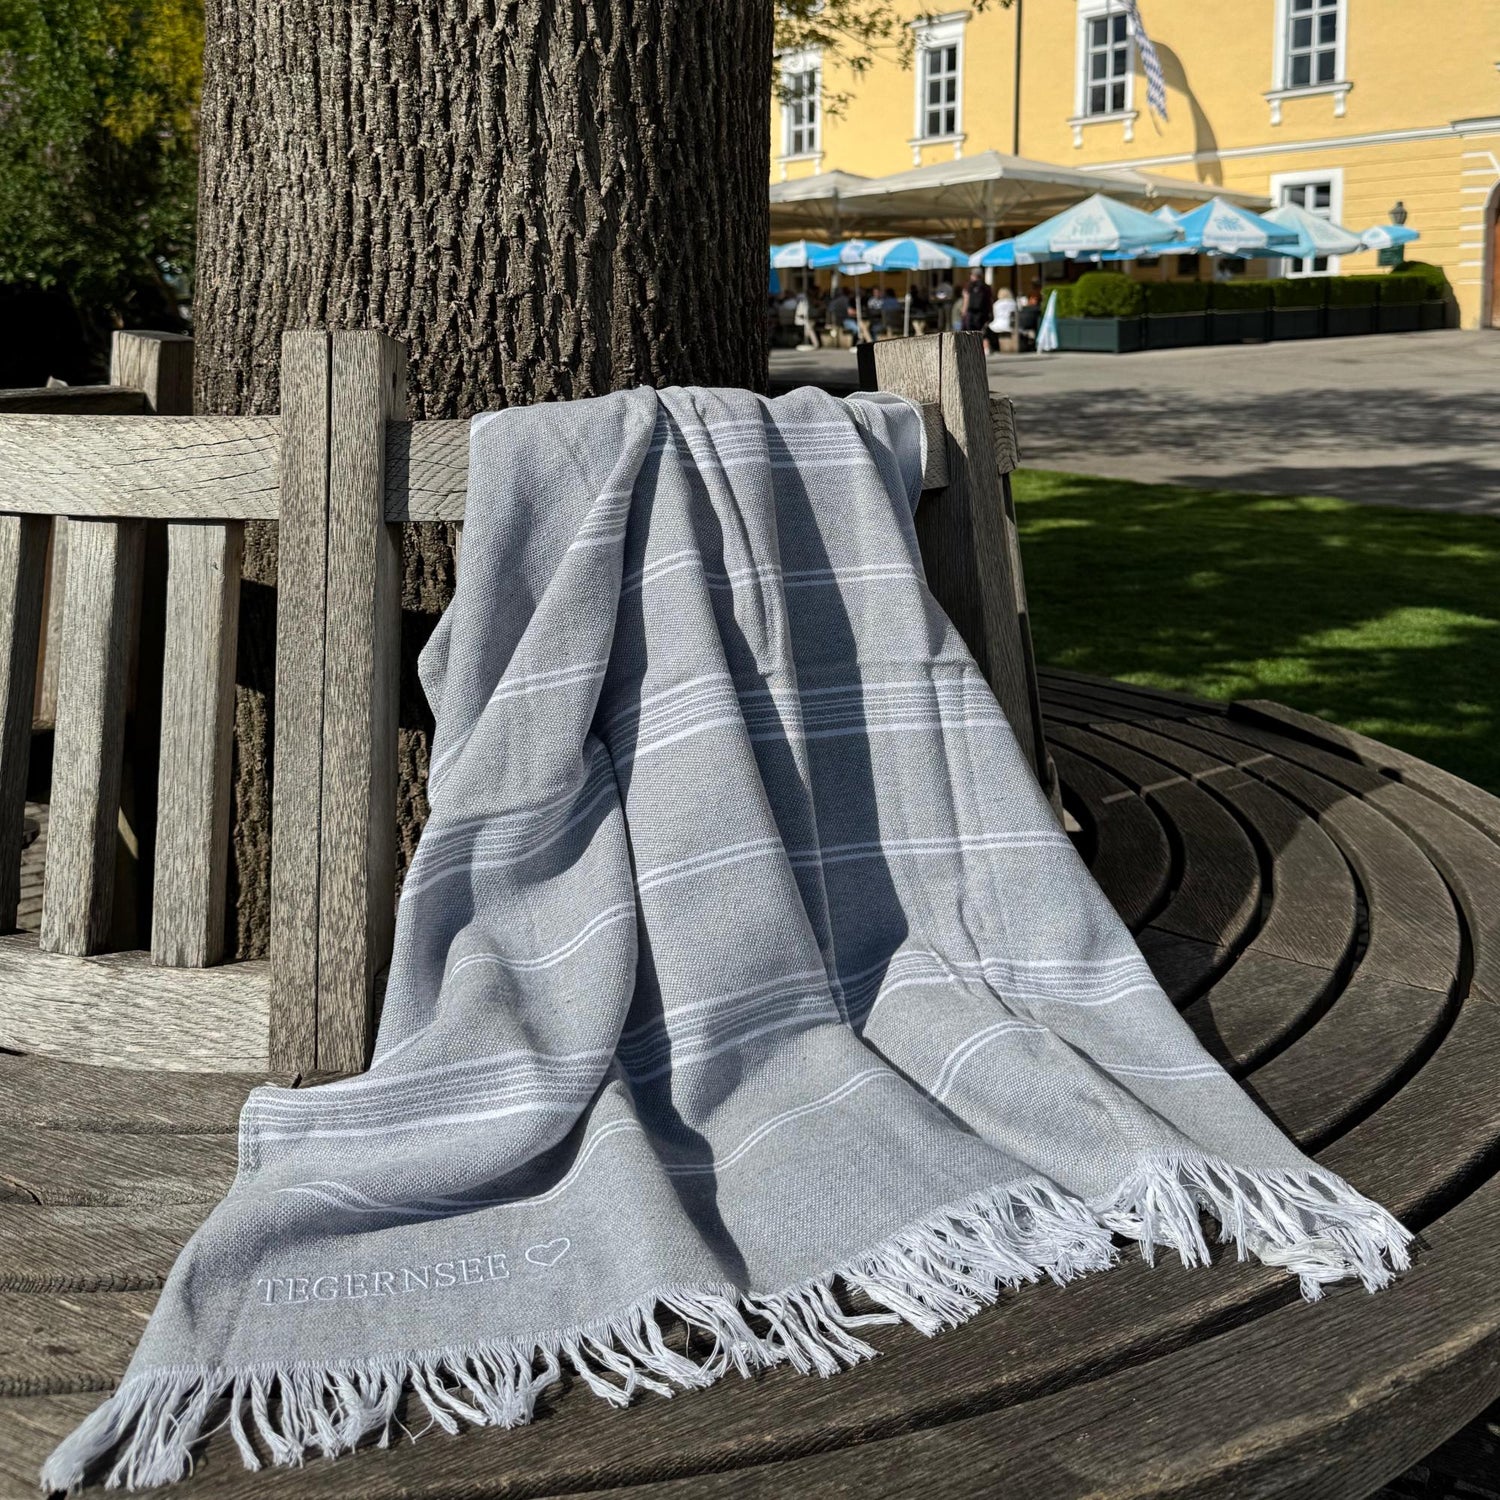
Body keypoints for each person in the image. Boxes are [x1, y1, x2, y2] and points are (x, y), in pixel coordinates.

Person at [960, 268, 994, 338]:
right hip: (983, 314)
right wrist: (991, 313)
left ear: (973, 275)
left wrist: (963, 312)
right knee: (983, 334)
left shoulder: (969, 286)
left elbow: (966, 299)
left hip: (971, 314)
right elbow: (990, 300)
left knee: (970, 335)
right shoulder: (986, 287)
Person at [987, 283, 1017, 354]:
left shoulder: (996, 304)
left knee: (988, 329)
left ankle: (993, 347)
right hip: (1011, 325)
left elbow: (995, 316)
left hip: (999, 325)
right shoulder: (1013, 303)